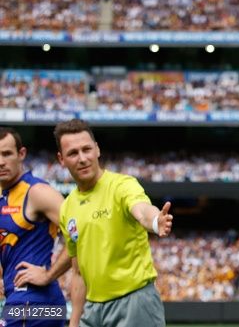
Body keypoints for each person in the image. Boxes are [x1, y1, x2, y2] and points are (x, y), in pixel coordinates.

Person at [53, 119, 173, 327]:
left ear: (97, 150)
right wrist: (74, 323)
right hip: (92, 310)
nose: (82, 158)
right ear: (61, 160)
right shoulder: (67, 207)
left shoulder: (122, 185)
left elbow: (142, 210)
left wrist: (155, 221)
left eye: (86, 149)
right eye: (73, 153)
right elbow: (79, 273)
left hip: (134, 304)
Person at [0, 127, 73, 327]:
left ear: (21, 154)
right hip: (24, 301)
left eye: (6, 154)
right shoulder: (4, 196)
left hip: (33, 303)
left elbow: (80, 232)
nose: (1, 162)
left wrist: (49, 274)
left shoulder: (37, 192)